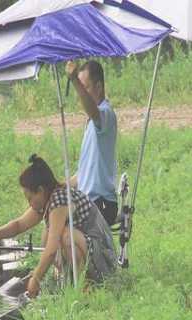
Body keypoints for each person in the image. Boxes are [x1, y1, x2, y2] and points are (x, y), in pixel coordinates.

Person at [0, 155, 116, 297]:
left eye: (30, 198)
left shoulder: (60, 201)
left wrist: (36, 278)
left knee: (64, 236)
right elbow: (19, 225)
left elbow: (51, 249)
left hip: (102, 257)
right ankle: (71, 282)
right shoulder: (47, 201)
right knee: (47, 234)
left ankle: (85, 286)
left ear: (40, 191)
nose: (29, 203)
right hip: (87, 250)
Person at [66, 60, 118, 226]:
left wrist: (74, 80)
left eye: (85, 87)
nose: (81, 94)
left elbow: (93, 111)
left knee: (62, 229)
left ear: (99, 86)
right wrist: (60, 185)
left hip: (101, 203)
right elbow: (85, 173)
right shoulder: (91, 123)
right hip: (88, 202)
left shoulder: (105, 114)